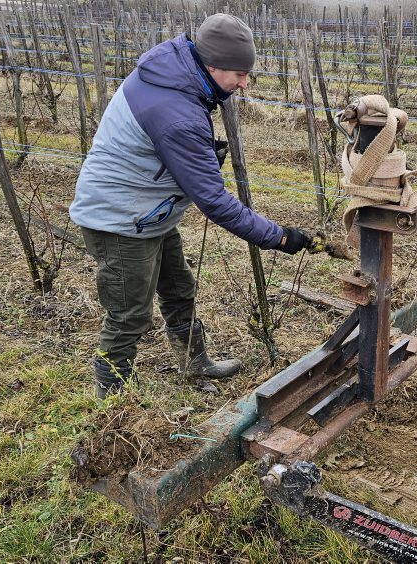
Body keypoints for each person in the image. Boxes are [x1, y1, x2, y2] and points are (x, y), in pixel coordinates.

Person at [69, 14, 313, 398]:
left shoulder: (177, 75)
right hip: (119, 219)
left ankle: (194, 362)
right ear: (212, 65)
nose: (244, 83)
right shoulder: (176, 113)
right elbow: (215, 202)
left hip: (148, 211)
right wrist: (279, 238)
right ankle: (114, 404)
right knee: (129, 314)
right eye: (239, 73)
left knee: (179, 287)